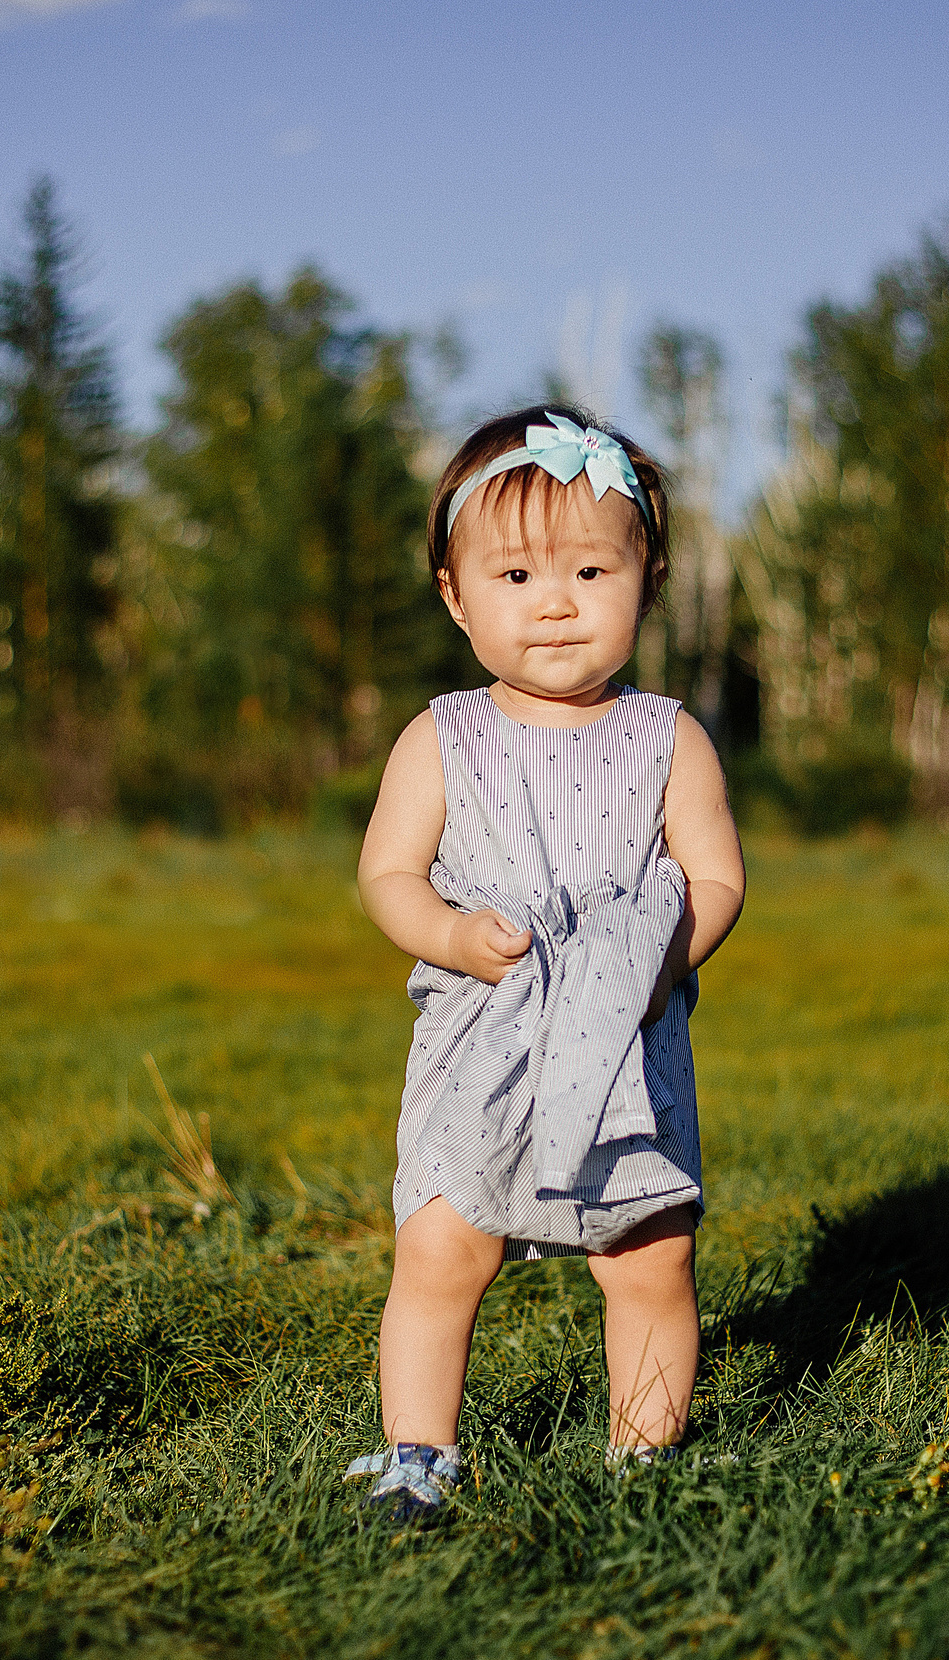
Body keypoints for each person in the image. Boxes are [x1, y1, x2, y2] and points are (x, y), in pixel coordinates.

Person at [345, 405, 747, 1523]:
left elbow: (715, 874)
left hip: (619, 1038)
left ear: (646, 581)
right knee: (441, 1245)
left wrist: (666, 957)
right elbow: (387, 876)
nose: (556, 601)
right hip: (484, 1027)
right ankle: (419, 1453)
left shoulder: (669, 736)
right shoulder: (441, 737)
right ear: (454, 594)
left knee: (648, 1257)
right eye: (516, 574)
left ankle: (643, 1462)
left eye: (588, 569)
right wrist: (449, 936)